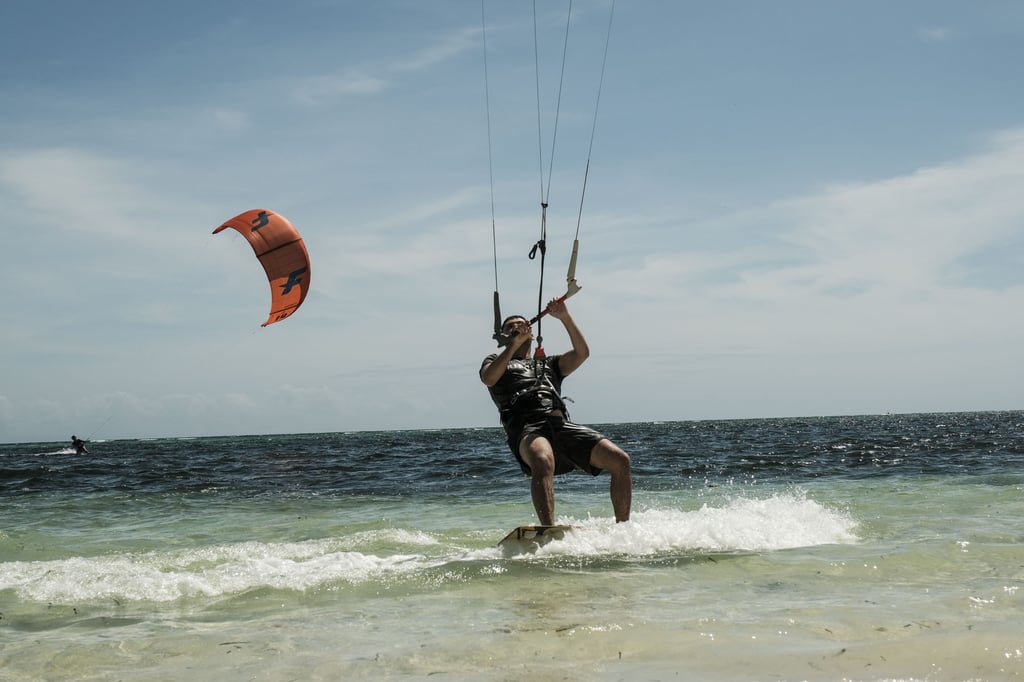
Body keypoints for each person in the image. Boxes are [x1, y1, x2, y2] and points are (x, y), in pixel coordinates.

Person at [480, 298, 631, 525]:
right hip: (527, 428)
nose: (515, 328)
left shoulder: (549, 363)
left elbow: (582, 353)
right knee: (542, 460)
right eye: (509, 327)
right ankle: (548, 529)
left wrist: (564, 317)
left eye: (520, 325)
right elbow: (490, 378)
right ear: (502, 337)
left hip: (559, 425)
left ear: (531, 333)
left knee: (620, 460)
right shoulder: (494, 360)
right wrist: (513, 345)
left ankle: (623, 528)